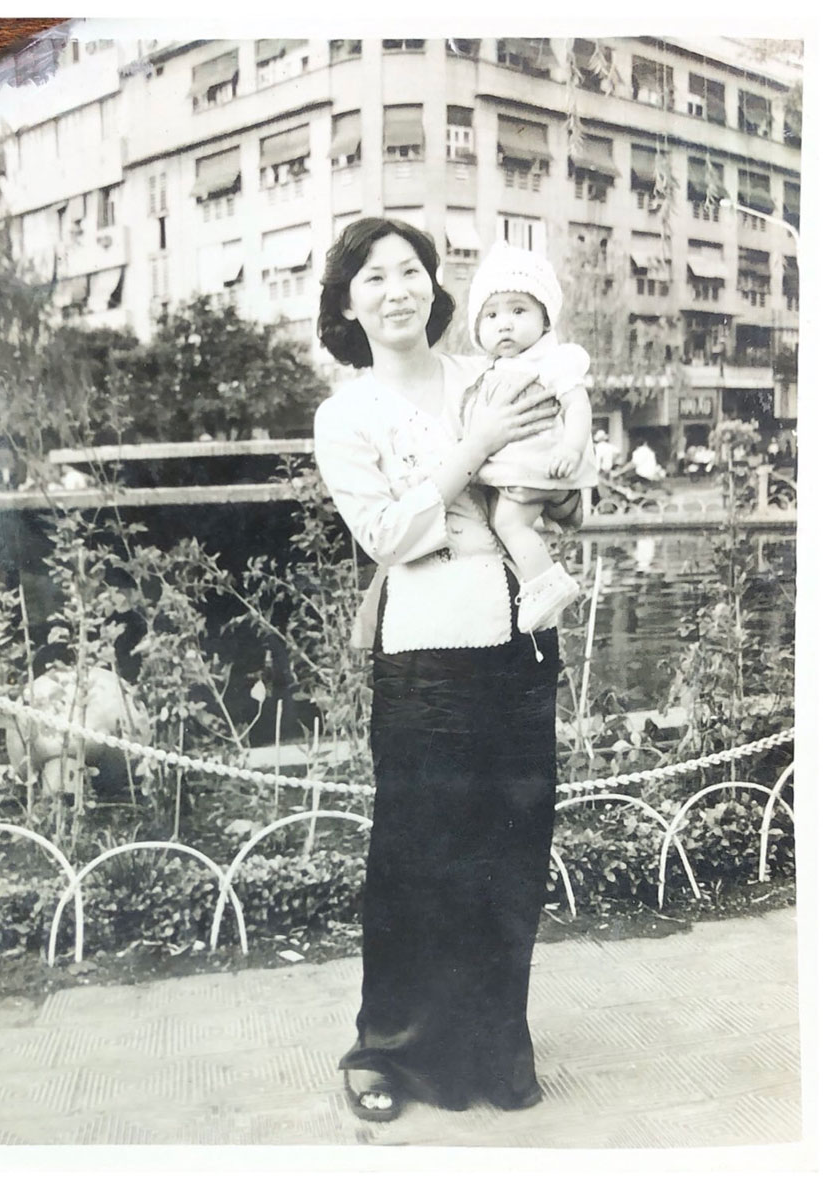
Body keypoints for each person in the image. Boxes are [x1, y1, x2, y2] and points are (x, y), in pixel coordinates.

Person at [314, 218, 563, 1121]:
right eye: (374, 277)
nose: (398, 289)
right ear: (348, 303)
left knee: (512, 846)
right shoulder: (346, 414)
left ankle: (495, 1044)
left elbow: (552, 466)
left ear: (434, 285)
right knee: (418, 851)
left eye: (411, 270)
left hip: (516, 633)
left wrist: (547, 476)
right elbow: (391, 533)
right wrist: (478, 445)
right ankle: (388, 1050)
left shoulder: (487, 373)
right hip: (423, 648)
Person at [460, 242, 597, 633]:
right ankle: (537, 582)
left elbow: (577, 406)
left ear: (546, 321)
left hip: (540, 462)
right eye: (491, 315)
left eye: (519, 311)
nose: (504, 323)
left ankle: (546, 584)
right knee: (501, 519)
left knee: (509, 522)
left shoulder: (552, 361)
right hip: (517, 469)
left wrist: (572, 447)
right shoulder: (491, 371)